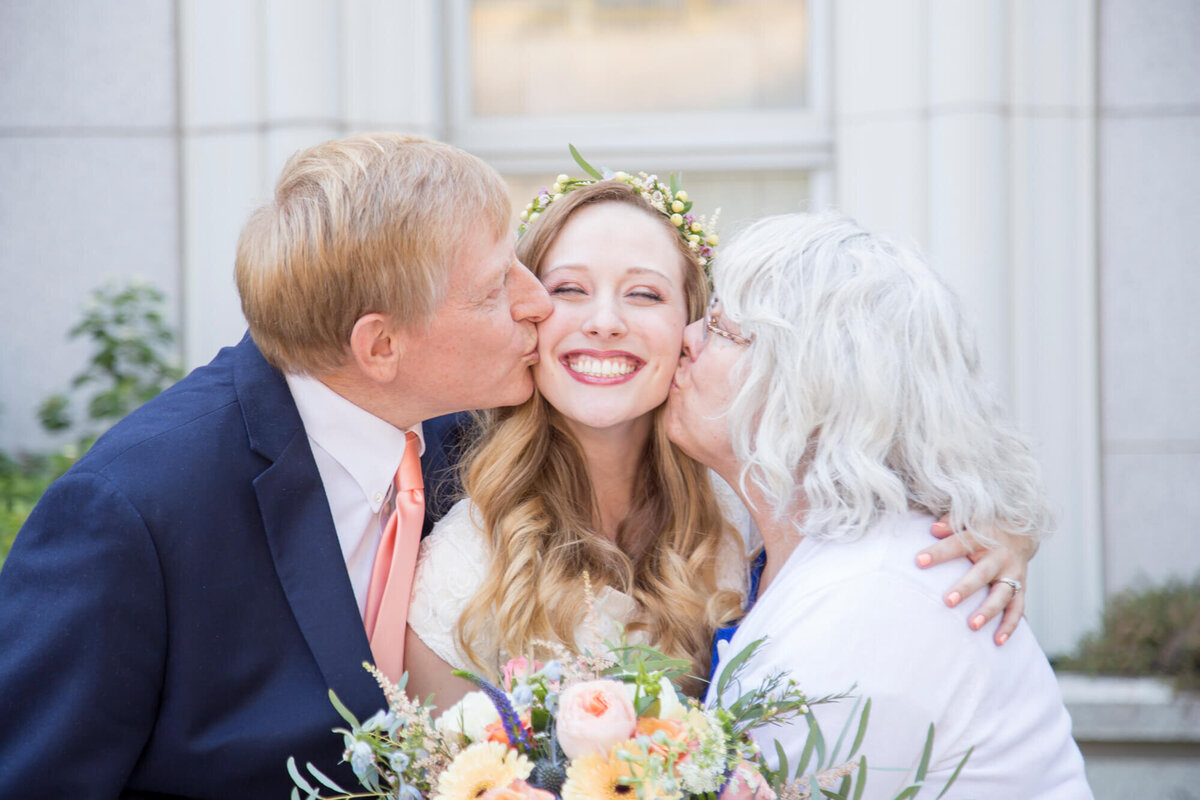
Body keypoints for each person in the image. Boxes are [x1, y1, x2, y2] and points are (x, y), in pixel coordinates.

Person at [0, 133, 551, 798]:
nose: (538, 302)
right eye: (495, 290)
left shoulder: (465, 429)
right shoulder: (131, 512)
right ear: (379, 345)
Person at [404, 173, 1040, 706]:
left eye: (644, 294)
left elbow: (897, 473)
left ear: (692, 327)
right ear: (528, 310)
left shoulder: (759, 500)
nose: (604, 323)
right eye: (569, 289)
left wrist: (999, 533)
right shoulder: (463, 564)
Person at [671, 212, 1092, 797]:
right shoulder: (803, 549)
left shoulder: (875, 600)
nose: (685, 337)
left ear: (810, 380)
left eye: (719, 326)